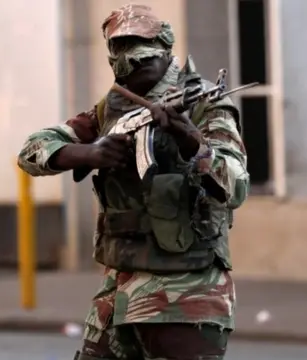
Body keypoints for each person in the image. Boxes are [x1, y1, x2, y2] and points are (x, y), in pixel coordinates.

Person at [17, 4, 250, 360]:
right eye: (120, 56)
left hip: (185, 294)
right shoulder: (110, 109)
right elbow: (33, 150)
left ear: (165, 48)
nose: (129, 66)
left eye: (140, 58)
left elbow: (235, 186)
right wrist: (89, 154)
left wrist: (191, 141)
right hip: (118, 294)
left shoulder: (205, 103)